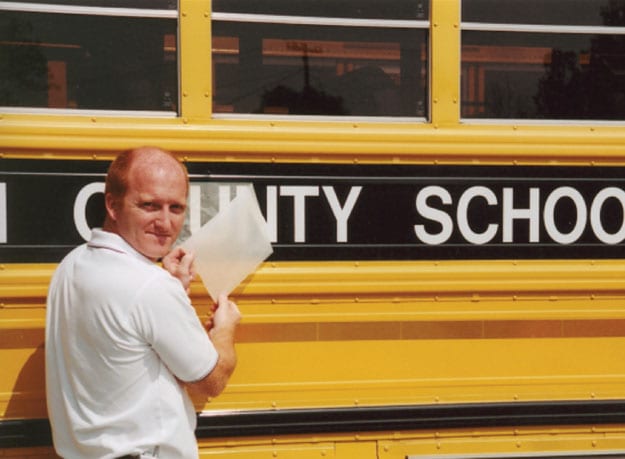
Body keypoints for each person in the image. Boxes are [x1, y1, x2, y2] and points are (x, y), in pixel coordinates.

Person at [45, 146, 241, 459]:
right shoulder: (150, 287)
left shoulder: (71, 265)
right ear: (112, 204)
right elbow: (211, 381)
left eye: (176, 208)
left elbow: (130, 345)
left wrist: (175, 288)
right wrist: (225, 329)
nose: (165, 222)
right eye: (149, 206)